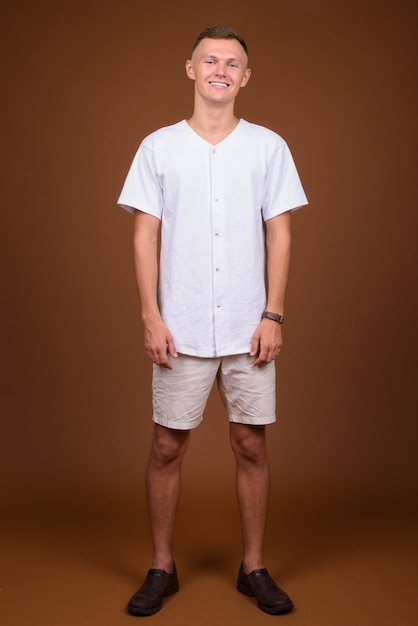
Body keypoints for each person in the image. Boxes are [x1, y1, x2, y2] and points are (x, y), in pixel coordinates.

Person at [117, 26, 308, 616]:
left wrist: (273, 314)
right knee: (168, 446)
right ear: (191, 69)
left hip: (251, 327)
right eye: (210, 60)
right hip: (184, 324)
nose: (220, 70)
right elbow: (145, 232)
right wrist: (152, 315)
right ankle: (161, 567)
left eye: (232, 63)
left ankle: (253, 567)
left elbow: (280, 231)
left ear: (244, 77)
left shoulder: (268, 147)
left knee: (251, 443)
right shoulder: (158, 147)